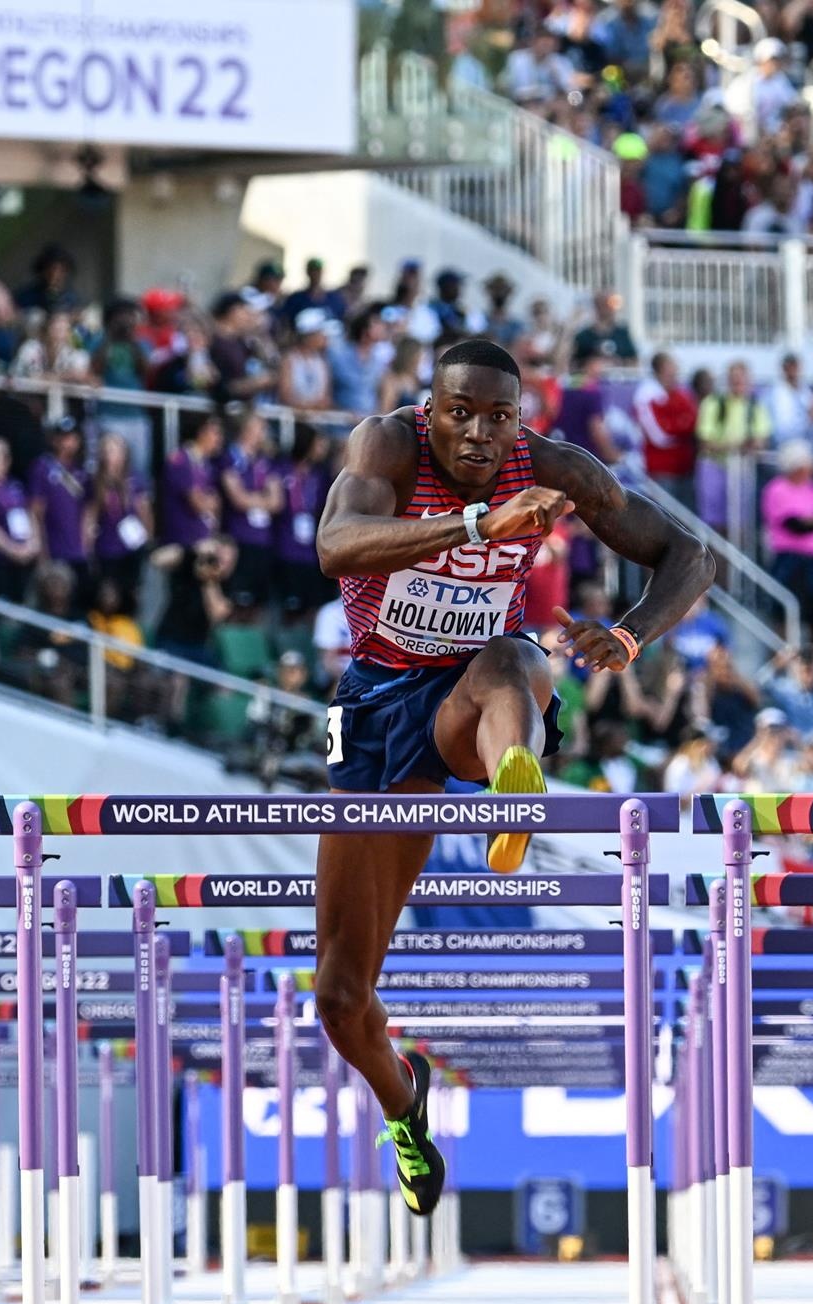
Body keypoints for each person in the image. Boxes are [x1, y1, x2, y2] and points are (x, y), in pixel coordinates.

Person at [314, 337, 711, 1215]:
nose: (480, 436)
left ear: (520, 420)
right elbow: (335, 547)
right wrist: (475, 527)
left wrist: (635, 632)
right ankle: (404, 1107)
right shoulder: (387, 445)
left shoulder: (554, 469)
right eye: (462, 414)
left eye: (500, 417)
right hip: (377, 699)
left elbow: (689, 555)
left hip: (473, 695)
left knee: (512, 658)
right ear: (431, 410)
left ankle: (511, 786)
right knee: (341, 997)